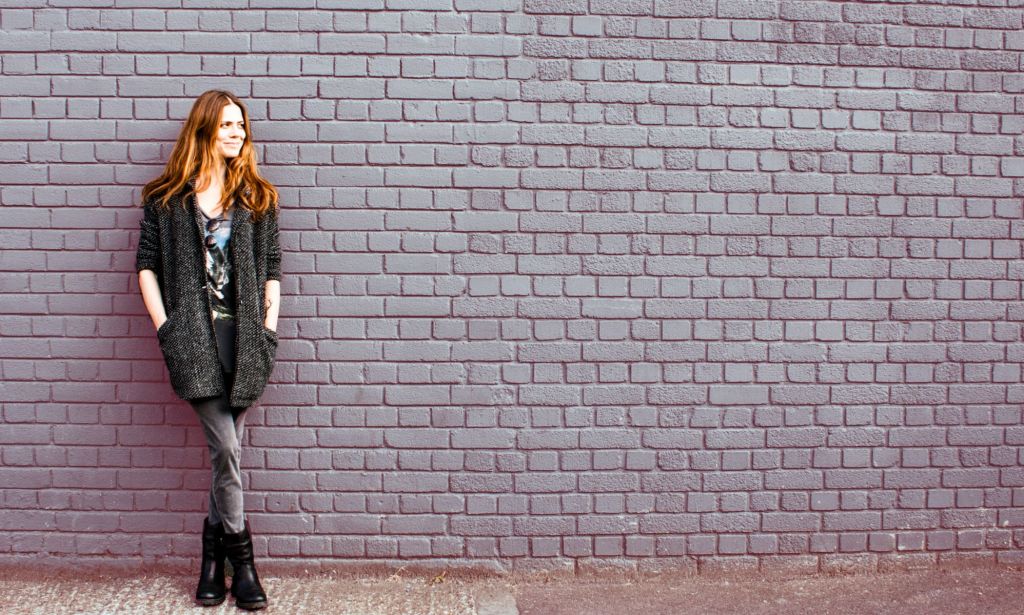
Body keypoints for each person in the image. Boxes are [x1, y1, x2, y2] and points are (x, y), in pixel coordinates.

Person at [135, 89, 281, 611]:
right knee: (227, 450)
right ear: (203, 131)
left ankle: (211, 563)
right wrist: (167, 328)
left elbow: (271, 273)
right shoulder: (167, 200)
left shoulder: (257, 198)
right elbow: (147, 265)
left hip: (244, 342)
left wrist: (267, 331)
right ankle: (244, 565)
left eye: (240, 125)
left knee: (227, 457)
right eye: (226, 125)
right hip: (194, 339)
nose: (237, 133)